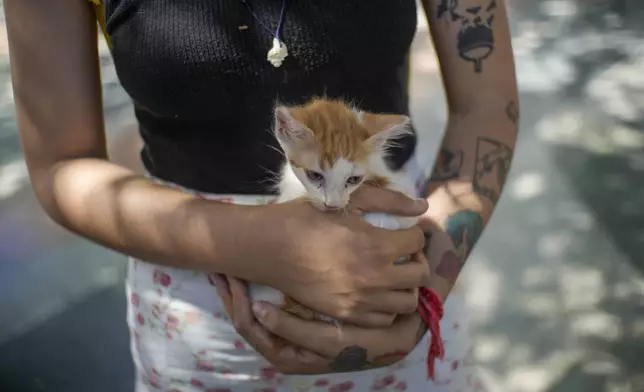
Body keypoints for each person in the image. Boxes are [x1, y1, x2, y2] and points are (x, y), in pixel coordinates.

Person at [4, 0, 518, 390]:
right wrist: (259, 245)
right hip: (203, 340)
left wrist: (426, 290)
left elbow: (487, 108)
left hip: (399, 300)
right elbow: (59, 165)